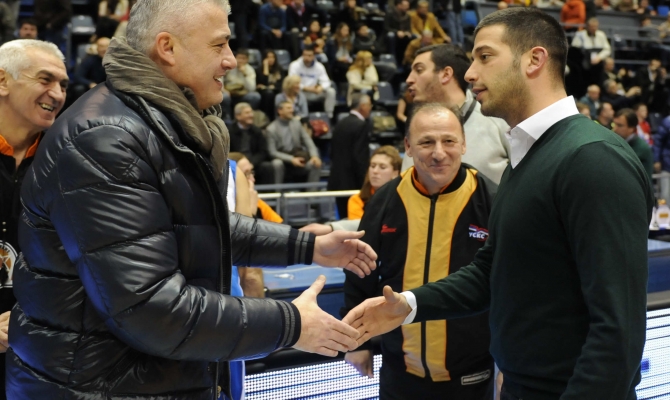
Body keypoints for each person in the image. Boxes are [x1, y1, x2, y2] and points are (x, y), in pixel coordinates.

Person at [8, 1, 379, 398]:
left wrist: (309, 246)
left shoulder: (157, 122)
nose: (231, 60)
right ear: (167, 48)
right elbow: (150, 309)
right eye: (219, 45)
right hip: (100, 387)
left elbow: (199, 226)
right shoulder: (106, 138)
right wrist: (291, 324)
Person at [343, 7, 654, 400]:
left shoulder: (592, 158)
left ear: (534, 60)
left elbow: (618, 331)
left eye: (484, 56)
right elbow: (491, 270)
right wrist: (408, 305)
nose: (470, 73)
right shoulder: (527, 158)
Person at [342, 103, 497, 399]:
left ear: (463, 144)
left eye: (449, 141)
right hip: (398, 370)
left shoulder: (491, 200)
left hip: (471, 372)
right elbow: (360, 271)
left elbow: (509, 286)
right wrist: (357, 341)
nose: (439, 153)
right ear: (408, 147)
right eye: (426, 142)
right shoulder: (385, 200)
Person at [0, 39, 68, 400]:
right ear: (2, 81)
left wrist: (36, 319)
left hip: (43, 355)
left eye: (63, 85)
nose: (57, 94)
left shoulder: (69, 163)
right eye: (45, 79)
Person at [402, 44, 510, 185]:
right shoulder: (415, 126)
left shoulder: (499, 120)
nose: (409, 79)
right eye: (427, 142)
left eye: (419, 70)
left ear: (446, 74)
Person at [301, 146, 402, 236]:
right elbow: (362, 230)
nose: (375, 171)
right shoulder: (356, 199)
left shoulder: (403, 199)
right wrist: (332, 228)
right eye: (372, 166)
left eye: (382, 167)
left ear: (395, 173)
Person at [328, 93, 373, 218]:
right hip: (353, 183)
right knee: (355, 222)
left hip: (338, 181)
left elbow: (332, 152)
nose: (371, 108)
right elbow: (360, 158)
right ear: (362, 106)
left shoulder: (340, 123)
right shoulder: (361, 125)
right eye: (369, 105)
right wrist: (365, 182)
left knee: (343, 220)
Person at [267, 101, 322, 183]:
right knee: (277, 163)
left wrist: (314, 156)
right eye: (288, 108)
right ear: (280, 111)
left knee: (315, 162)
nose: (292, 110)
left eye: (292, 108)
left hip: (298, 156)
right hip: (283, 160)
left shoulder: (296, 123)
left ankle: (312, 191)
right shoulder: (271, 129)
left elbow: (308, 140)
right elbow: (272, 152)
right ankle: (277, 190)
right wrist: (291, 159)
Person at [229, 102, 281, 184]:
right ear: (238, 116)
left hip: (253, 162)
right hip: (235, 161)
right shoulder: (229, 131)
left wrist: (252, 163)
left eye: (251, 112)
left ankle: (268, 191)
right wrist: (240, 162)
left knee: (268, 167)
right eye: (247, 113)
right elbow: (227, 151)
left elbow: (262, 152)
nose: (251, 115)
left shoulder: (257, 131)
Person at [229, 152, 284, 224]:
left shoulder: (256, 201)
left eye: (251, 172)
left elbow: (280, 226)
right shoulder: (227, 206)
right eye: (246, 174)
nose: (253, 179)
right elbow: (243, 230)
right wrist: (251, 212)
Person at [288, 45, 336, 118]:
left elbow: (326, 81)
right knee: (293, 90)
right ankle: (302, 116)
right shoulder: (294, 65)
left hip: (314, 92)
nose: (307, 58)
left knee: (331, 91)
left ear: (314, 56)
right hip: (300, 91)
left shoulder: (319, 66)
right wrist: (306, 88)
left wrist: (321, 88)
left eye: (309, 55)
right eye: (305, 55)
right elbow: (292, 82)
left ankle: (329, 116)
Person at [613, 108, 654, 179]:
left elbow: (646, 180)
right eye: (614, 124)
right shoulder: (613, 143)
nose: (615, 128)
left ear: (631, 128)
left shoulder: (642, 148)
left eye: (620, 125)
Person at [222, 49, 262, 119]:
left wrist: (244, 74)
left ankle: (248, 116)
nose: (240, 60)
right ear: (235, 57)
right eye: (239, 58)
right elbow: (220, 80)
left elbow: (251, 88)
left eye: (243, 58)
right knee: (224, 97)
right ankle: (227, 118)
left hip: (242, 93)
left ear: (247, 60)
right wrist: (224, 90)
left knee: (255, 96)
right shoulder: (228, 66)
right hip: (228, 92)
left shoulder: (250, 70)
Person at [570, 18, 611, 86]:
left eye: (595, 26)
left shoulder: (601, 35)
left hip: (598, 62)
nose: (594, 28)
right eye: (592, 26)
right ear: (587, 26)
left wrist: (599, 57)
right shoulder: (580, 35)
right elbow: (574, 49)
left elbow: (607, 49)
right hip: (583, 63)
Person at [384, 0, 413, 65]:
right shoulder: (390, 13)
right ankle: (393, 60)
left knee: (414, 36)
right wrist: (396, 32)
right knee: (390, 35)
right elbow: (386, 28)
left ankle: (408, 60)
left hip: (403, 35)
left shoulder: (408, 16)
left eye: (408, 6)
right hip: (393, 34)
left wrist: (407, 32)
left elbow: (409, 28)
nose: (407, 8)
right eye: (405, 6)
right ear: (399, 5)